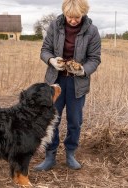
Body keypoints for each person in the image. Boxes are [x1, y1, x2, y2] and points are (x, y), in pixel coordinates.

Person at [35, 0, 101, 171]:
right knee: (51, 119)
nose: (72, 20)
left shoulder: (92, 31)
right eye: (69, 17)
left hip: (77, 84)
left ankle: (70, 153)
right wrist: (51, 60)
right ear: (64, 13)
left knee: (75, 121)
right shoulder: (54, 26)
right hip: (55, 81)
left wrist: (82, 70)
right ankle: (50, 156)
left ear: (83, 14)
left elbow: (95, 59)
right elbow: (45, 50)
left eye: (77, 17)